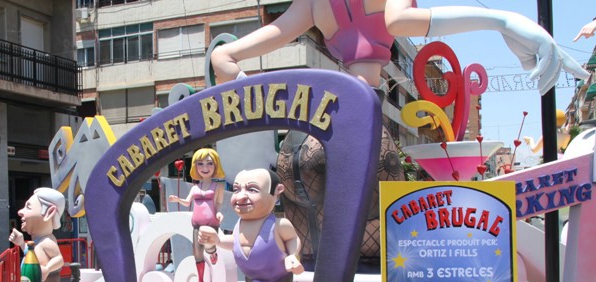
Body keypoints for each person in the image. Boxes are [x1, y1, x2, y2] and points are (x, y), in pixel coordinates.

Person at [211, 0, 588, 95]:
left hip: (364, 127)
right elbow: (228, 56)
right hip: (333, 127)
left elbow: (399, 22)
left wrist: (500, 20)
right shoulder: (311, 5)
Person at [199, 168, 304, 282]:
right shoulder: (239, 224)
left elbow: (292, 239)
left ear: (276, 192)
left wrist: (293, 256)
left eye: (252, 189)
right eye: (237, 190)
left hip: (278, 275)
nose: (240, 197)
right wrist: (217, 240)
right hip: (255, 278)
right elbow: (234, 242)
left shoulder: (279, 224)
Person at [168, 147, 226, 282]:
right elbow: (188, 203)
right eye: (200, 164)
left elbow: (218, 203)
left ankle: (212, 253)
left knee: (208, 247)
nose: (205, 168)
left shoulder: (218, 186)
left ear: (215, 165)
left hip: (211, 223)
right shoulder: (194, 188)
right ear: (195, 166)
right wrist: (177, 199)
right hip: (196, 224)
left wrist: (219, 213)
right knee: (197, 253)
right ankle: (200, 281)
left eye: (209, 163)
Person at [8, 187, 67, 282]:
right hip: (36, 279)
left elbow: (59, 259)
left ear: (48, 212)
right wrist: (21, 243)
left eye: (28, 207)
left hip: (49, 277)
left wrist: (47, 269)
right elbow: (31, 255)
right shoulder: (37, 241)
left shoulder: (47, 241)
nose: (20, 212)